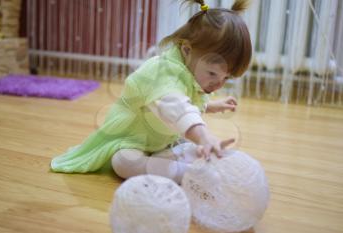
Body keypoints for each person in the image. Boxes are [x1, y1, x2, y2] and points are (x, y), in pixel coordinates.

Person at [51, 0, 252, 184]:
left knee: (184, 144)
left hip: (160, 138)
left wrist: (209, 106)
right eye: (212, 74)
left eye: (226, 79)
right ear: (187, 50)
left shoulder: (189, 71)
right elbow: (175, 105)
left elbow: (184, 100)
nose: (218, 84)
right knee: (123, 162)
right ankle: (184, 174)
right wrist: (204, 137)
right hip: (130, 138)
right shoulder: (162, 73)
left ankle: (180, 159)